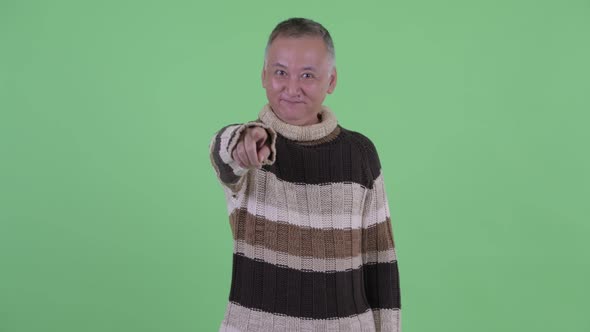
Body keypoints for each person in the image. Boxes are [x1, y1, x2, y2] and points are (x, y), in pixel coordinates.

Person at [209, 17, 401, 332]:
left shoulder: (360, 154)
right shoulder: (251, 148)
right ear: (264, 75)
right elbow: (223, 152)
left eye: (308, 75)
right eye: (280, 72)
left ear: (332, 80)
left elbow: (380, 262)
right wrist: (243, 140)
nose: (292, 88)